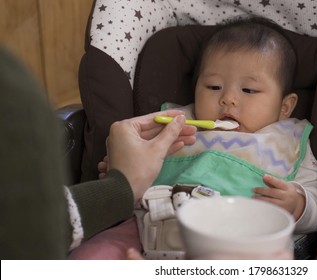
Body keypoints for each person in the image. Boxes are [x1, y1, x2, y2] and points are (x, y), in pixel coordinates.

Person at [70, 17, 317, 260]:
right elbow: (134, 169)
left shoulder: (287, 141)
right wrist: (119, 178)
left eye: (248, 90)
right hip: (151, 225)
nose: (228, 99)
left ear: (285, 106)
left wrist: (300, 203)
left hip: (239, 238)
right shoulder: (173, 125)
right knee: (93, 254)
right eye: (214, 87)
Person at [0, 46, 196, 259]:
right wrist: (121, 187)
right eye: (214, 86)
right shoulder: (11, 91)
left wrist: (118, 186)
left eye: (241, 90)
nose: (228, 99)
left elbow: (28, 224)